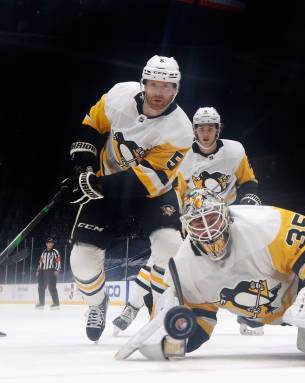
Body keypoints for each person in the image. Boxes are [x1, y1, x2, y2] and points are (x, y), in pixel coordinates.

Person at [116, 189, 305, 360]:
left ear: (226, 214)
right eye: (199, 224)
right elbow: (200, 325)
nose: (209, 230)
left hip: (302, 288)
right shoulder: (183, 269)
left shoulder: (263, 223)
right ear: (186, 228)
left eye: (211, 218)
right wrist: (174, 338)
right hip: (276, 314)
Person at [64, 55, 193, 342]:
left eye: (167, 86)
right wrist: (83, 165)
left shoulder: (181, 129)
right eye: (154, 84)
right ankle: (97, 303)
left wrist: (95, 182)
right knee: (81, 260)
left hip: (153, 194)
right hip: (106, 185)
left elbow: (146, 180)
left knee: (171, 244)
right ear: (143, 83)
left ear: (176, 89)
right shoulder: (120, 95)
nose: (159, 93)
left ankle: (160, 311)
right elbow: (92, 124)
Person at [113, 106, 263, 335]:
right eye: (201, 128)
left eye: (210, 128)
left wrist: (250, 199)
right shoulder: (182, 155)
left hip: (225, 217)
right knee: (164, 258)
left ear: (218, 130)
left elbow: (248, 181)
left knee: (243, 259)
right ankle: (133, 306)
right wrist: (178, 218)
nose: (205, 133)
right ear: (194, 130)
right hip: (192, 218)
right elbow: (174, 190)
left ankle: (247, 315)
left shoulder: (235, 151)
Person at [35, 237, 61, 309]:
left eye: (51, 243)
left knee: (52, 287)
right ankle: (41, 303)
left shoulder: (55, 251)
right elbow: (40, 262)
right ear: (46, 244)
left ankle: (56, 304)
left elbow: (58, 261)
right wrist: (38, 270)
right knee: (41, 287)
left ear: (53, 244)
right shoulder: (44, 252)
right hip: (42, 271)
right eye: (48, 243)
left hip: (51, 270)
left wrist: (57, 270)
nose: (49, 244)